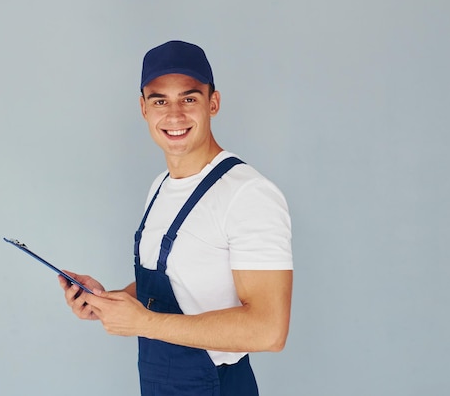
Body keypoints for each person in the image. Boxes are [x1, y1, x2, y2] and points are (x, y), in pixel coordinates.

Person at [59, 40, 293, 396]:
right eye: (159, 101)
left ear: (213, 103)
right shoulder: (161, 186)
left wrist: (146, 323)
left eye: (189, 98)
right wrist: (108, 302)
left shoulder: (247, 194)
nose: (174, 115)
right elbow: (184, 280)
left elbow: (269, 330)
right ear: (143, 108)